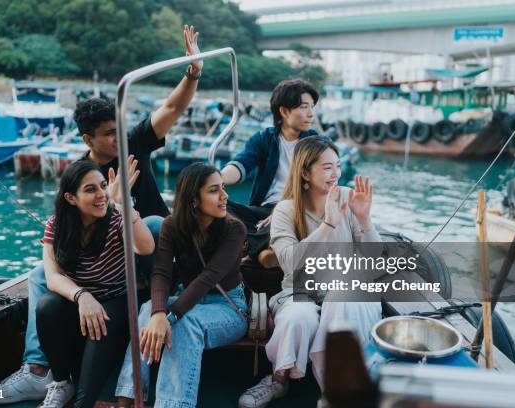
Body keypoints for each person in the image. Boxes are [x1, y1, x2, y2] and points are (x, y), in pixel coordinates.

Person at [0, 25, 204, 404]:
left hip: (148, 246)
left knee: (158, 223)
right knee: (41, 273)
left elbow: (172, 108)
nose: (116, 137)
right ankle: (38, 369)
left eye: (117, 129)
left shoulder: (135, 142)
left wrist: (192, 72)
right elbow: (70, 226)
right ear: (87, 139)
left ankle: (161, 293)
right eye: (108, 133)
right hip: (106, 254)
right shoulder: (80, 176)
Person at [238, 137, 383, 408]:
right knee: (297, 317)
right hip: (299, 291)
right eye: (327, 167)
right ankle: (278, 380)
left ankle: (334, 393)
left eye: (338, 166)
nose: (336, 174)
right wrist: (328, 224)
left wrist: (364, 219)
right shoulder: (286, 210)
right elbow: (290, 262)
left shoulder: (349, 198)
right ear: (305, 172)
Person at [115, 162, 248, 408]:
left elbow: (208, 277)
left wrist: (169, 316)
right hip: (188, 299)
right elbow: (162, 273)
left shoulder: (234, 229)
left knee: (185, 324)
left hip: (229, 306)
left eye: (223, 188)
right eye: (214, 190)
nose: (224, 196)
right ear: (193, 200)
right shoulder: (172, 225)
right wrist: (157, 313)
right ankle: (127, 399)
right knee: (147, 311)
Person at [35, 158, 154, 407]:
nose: (101, 195)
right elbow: (53, 277)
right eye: (90, 190)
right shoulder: (56, 225)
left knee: (102, 321)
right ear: (70, 198)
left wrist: (124, 206)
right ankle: (61, 382)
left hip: (118, 299)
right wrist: (82, 296)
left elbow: (145, 247)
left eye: (102, 186)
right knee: (47, 306)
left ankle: (83, 401)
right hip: (83, 300)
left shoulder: (116, 218)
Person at [220, 79, 319, 268]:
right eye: (304, 107)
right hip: (263, 209)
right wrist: (218, 178)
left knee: (281, 219)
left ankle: (255, 249)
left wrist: (284, 209)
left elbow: (321, 187)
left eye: (312, 107)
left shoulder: (317, 143)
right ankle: (264, 249)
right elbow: (241, 164)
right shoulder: (264, 139)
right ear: (284, 111)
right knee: (220, 208)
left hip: (299, 206)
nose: (311, 113)